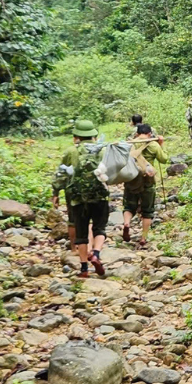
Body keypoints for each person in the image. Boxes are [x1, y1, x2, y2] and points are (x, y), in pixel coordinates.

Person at [52, 119, 110, 278]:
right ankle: (96, 254)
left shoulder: (71, 151)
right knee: (99, 228)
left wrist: (56, 192)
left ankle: (84, 269)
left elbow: (61, 174)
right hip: (99, 196)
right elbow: (111, 172)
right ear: (94, 136)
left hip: (77, 198)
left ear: (76, 137)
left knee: (81, 233)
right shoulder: (103, 151)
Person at [122, 123, 170, 246]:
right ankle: (143, 237)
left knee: (128, 206)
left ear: (137, 133)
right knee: (147, 211)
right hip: (148, 180)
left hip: (131, 179)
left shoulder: (129, 144)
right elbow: (164, 159)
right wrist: (161, 145)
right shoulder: (153, 145)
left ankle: (127, 223)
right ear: (149, 134)